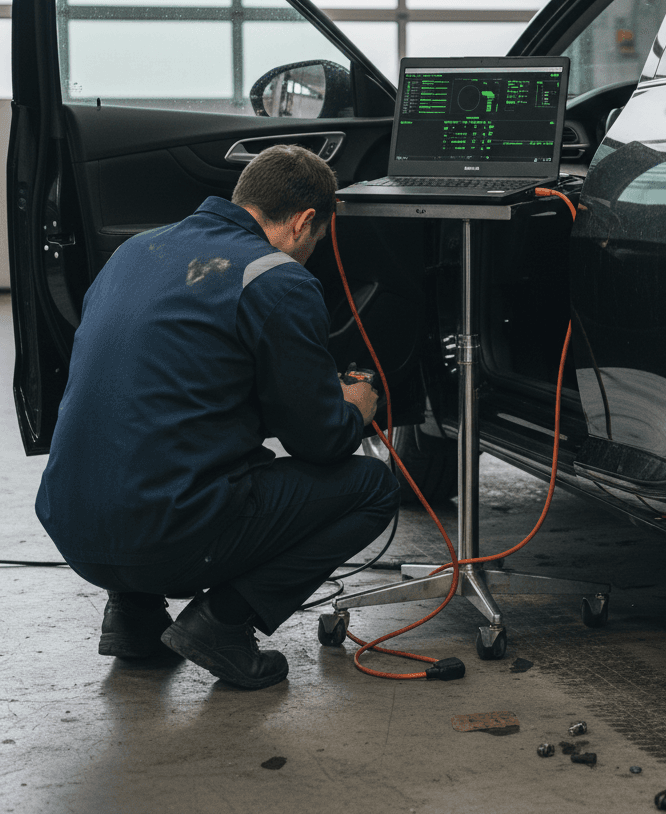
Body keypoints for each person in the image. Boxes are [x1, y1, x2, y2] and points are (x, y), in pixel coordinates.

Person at [35, 144, 399, 690]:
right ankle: (225, 623)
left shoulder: (134, 251)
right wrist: (355, 408)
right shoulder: (279, 279)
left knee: (150, 437)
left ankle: (134, 618)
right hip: (167, 538)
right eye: (317, 239)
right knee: (373, 486)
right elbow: (318, 443)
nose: (313, 251)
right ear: (304, 222)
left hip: (71, 526)